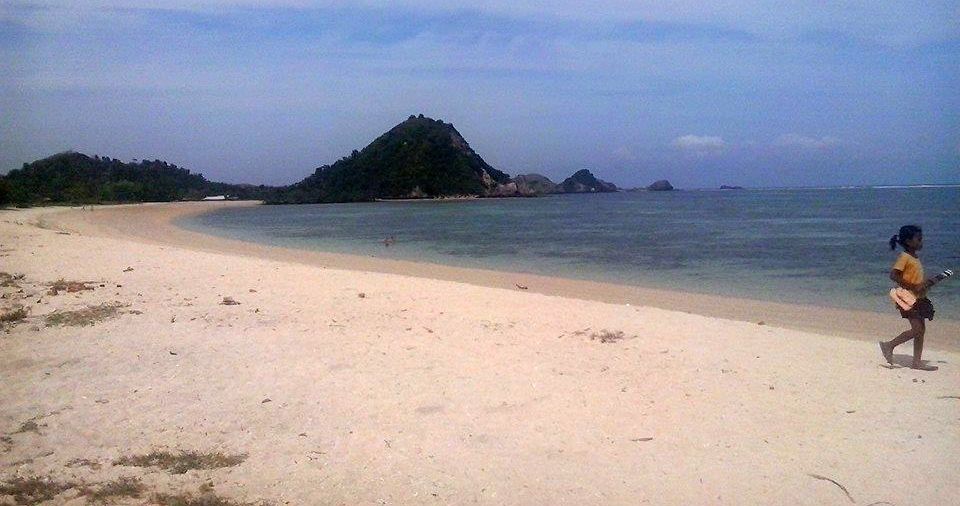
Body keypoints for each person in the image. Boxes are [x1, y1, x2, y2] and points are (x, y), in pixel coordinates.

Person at [878, 225, 937, 370]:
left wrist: (925, 284)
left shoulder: (915, 257)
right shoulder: (905, 257)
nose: (921, 242)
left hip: (919, 298)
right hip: (907, 299)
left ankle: (916, 362)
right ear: (908, 241)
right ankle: (889, 345)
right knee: (917, 330)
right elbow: (894, 275)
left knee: (921, 331)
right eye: (918, 239)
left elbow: (915, 280)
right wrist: (913, 286)